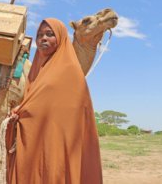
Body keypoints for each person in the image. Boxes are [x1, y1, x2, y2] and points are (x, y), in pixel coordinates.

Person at [5, 18, 103, 183]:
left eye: (50, 34)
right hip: (34, 141)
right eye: (40, 35)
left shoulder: (70, 70)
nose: (43, 38)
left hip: (59, 143)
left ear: (61, 37)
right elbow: (34, 103)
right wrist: (18, 115)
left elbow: (72, 111)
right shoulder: (35, 71)